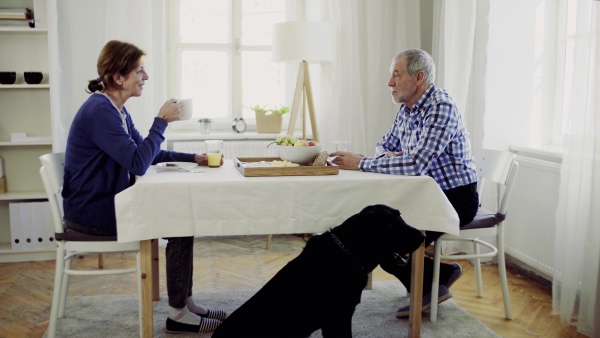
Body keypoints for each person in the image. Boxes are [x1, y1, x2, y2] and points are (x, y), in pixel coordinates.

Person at [62, 40, 226, 333]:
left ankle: (184, 303)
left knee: (183, 221)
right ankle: (178, 315)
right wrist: (161, 122)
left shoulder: (115, 110)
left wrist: (194, 158)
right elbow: (138, 163)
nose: (146, 77)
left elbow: (147, 153)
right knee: (180, 223)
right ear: (118, 77)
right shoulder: (101, 112)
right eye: (140, 70)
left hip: (104, 203)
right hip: (94, 212)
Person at [329, 48, 479, 318]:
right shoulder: (406, 110)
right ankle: (439, 277)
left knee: (384, 240)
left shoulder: (441, 106)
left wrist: (360, 162)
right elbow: (383, 146)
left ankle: (431, 285)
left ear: (418, 77)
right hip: (421, 192)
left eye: (396, 75)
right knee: (373, 228)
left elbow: (415, 165)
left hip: (455, 197)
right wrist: (387, 156)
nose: (390, 83)